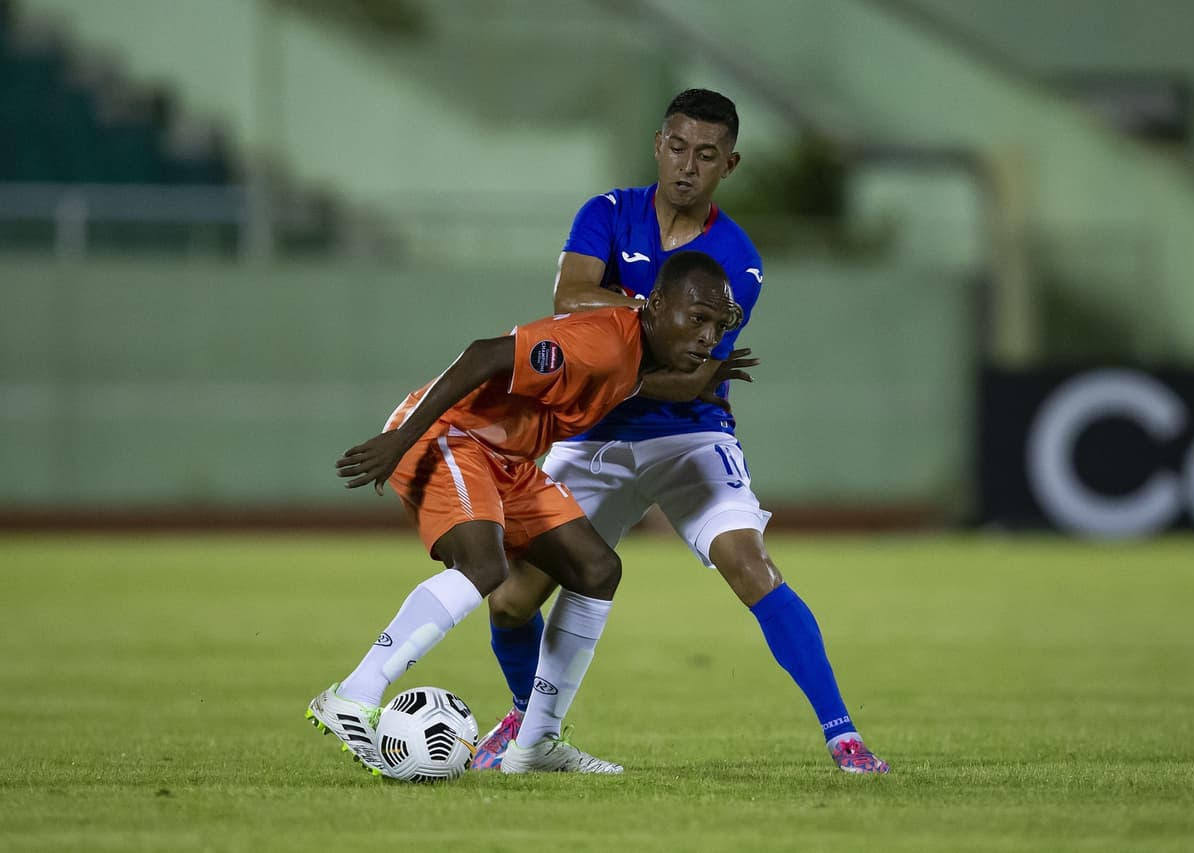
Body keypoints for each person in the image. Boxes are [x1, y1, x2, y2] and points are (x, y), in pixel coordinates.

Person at [473, 88, 889, 775]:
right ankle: (528, 725)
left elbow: (683, 370)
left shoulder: (739, 260)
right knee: (512, 598)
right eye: (676, 147)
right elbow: (567, 300)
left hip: (689, 432)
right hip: (593, 435)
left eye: (705, 154)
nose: (686, 166)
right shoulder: (607, 213)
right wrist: (654, 313)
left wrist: (621, 330)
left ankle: (844, 737)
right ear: (658, 145)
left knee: (747, 561)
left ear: (730, 163)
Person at [306, 250, 747, 776]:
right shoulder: (601, 342)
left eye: (719, 325)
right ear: (654, 306)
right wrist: (402, 438)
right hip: (451, 436)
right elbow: (485, 355)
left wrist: (694, 384)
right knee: (483, 567)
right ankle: (355, 693)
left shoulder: (633, 353)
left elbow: (638, 382)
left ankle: (535, 742)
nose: (707, 335)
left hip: (506, 461)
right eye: (697, 318)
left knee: (596, 568)